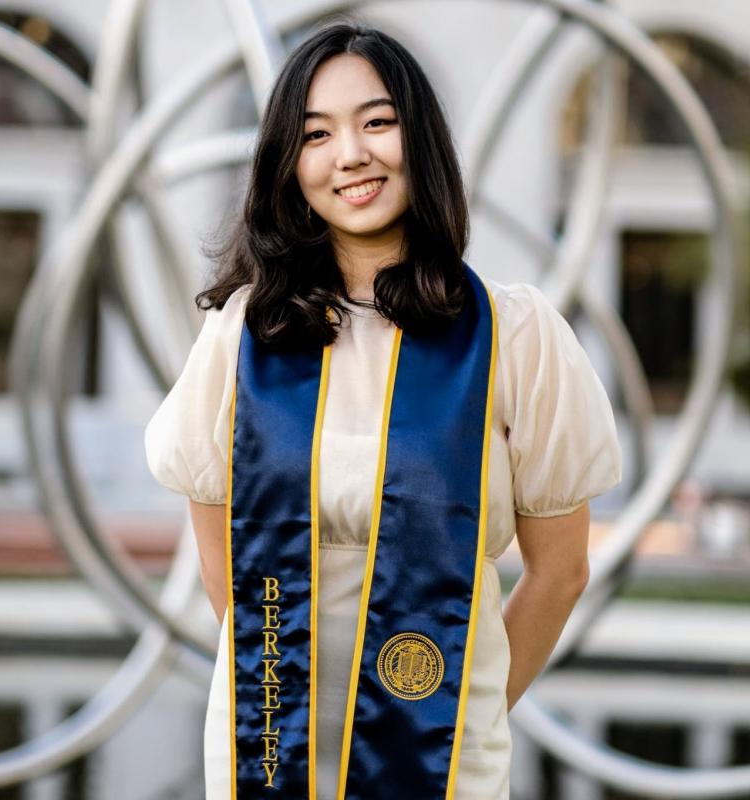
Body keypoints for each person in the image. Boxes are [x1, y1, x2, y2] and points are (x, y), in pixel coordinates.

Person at [144, 22, 621, 800]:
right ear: (289, 167)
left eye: (377, 122)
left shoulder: (515, 336)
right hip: (266, 746)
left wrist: (463, 714)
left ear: (419, 139)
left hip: (441, 753)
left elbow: (560, 571)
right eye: (316, 134)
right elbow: (224, 574)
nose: (351, 156)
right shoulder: (245, 336)